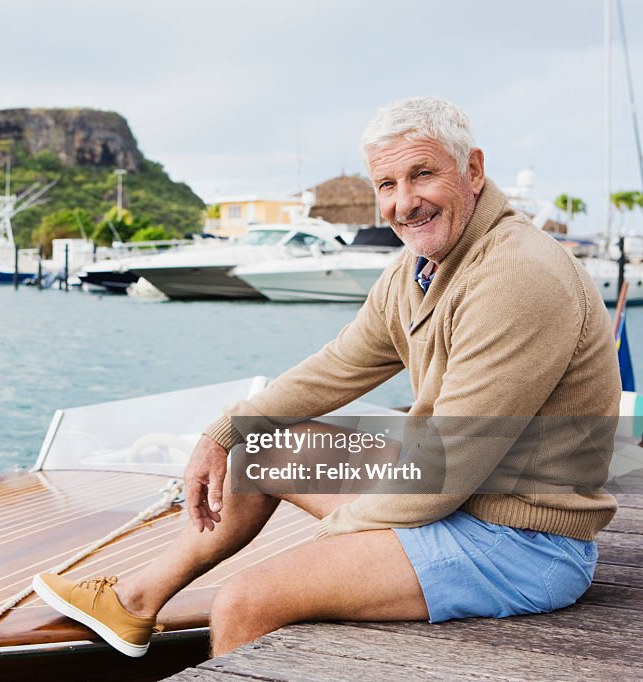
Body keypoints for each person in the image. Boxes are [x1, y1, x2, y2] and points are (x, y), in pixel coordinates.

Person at [33, 96, 620, 659]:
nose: (404, 202)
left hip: (520, 541)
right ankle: (134, 602)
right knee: (265, 447)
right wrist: (225, 430)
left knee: (245, 601)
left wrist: (327, 548)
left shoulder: (516, 274)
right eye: (387, 185)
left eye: (422, 175)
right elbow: (339, 365)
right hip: (459, 495)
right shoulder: (418, 270)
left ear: (472, 170)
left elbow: (443, 470)